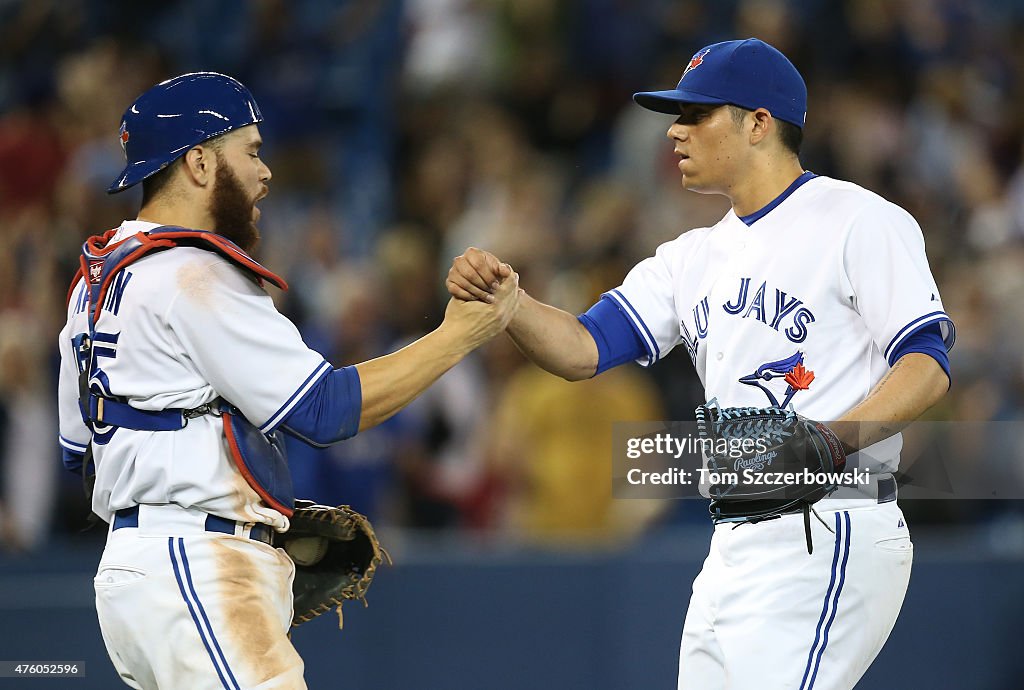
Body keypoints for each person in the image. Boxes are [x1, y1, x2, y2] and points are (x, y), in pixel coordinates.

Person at [447, 38, 954, 690]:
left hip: (831, 521)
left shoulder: (857, 220)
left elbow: (926, 362)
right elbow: (582, 349)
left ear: (759, 123)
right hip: (735, 542)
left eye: (697, 114)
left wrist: (834, 440)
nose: (676, 132)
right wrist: (509, 304)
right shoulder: (691, 257)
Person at [57, 72, 519, 690]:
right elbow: (326, 409)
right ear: (198, 162)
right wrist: (460, 333)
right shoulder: (191, 273)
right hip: (194, 566)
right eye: (249, 150)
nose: (265, 171)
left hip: (138, 571)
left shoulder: (97, 279)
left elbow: (78, 456)